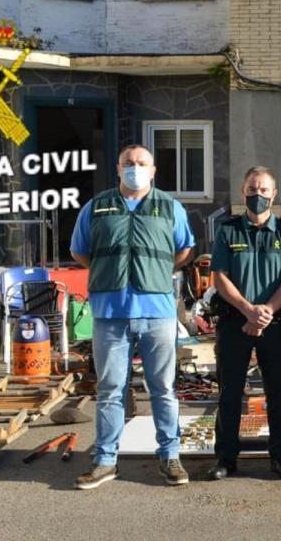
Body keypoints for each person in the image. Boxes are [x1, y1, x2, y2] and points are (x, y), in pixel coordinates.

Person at [69, 144, 195, 489]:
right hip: (110, 313)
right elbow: (80, 252)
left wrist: (155, 270)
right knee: (110, 390)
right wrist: (109, 273)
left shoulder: (170, 208)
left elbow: (185, 248)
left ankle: (170, 457)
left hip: (157, 313)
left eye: (141, 163)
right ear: (118, 167)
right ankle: (106, 461)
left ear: (153, 171)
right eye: (129, 163)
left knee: (164, 389)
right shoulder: (96, 208)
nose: (135, 168)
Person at [207, 167, 281, 480]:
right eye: (252, 188)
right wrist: (248, 311)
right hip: (236, 322)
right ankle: (226, 460)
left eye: (263, 190)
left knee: (278, 395)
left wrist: (265, 313)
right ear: (242, 191)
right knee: (230, 394)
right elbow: (219, 277)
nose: (257, 195)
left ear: (274, 194)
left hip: (274, 325)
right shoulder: (228, 231)